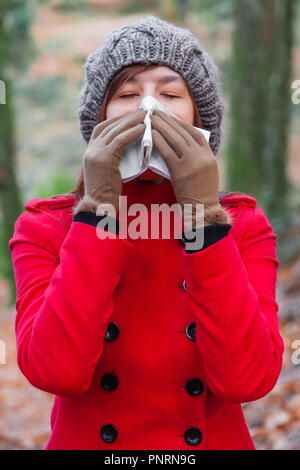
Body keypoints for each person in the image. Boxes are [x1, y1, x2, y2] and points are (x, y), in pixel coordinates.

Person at [8, 15, 284, 450]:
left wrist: (204, 218)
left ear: (200, 115)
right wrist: (98, 210)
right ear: (98, 120)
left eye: (170, 93)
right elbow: (54, 370)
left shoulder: (242, 225)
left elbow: (247, 379)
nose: (148, 109)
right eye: (128, 93)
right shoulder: (46, 227)